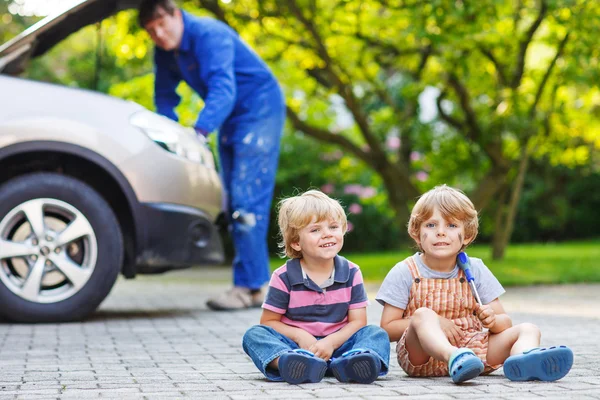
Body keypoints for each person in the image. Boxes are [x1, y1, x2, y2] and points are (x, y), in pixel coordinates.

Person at [139, 0, 285, 310]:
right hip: (231, 115)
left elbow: (223, 88)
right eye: (151, 32)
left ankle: (249, 288)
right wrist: (168, 133)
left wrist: (200, 131)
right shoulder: (165, 52)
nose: (160, 35)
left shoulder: (209, 34)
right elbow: (164, 98)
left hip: (259, 109)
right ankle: (254, 286)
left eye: (162, 25)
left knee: (247, 201)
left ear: (176, 15)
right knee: (231, 202)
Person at [376, 185, 573, 384]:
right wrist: (436, 321)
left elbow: (505, 323)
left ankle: (523, 361)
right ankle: (453, 356)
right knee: (423, 314)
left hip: (473, 352)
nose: (441, 232)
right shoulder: (405, 271)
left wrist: (492, 320)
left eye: (452, 226)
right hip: (423, 357)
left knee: (529, 329)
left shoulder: (474, 269)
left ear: (467, 234)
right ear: (416, 232)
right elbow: (388, 328)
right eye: (431, 225)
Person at [242, 190, 390, 384]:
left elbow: (358, 322)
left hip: (341, 345)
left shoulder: (352, 272)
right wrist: (300, 336)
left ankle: (352, 363)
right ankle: (290, 363)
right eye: (315, 230)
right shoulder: (283, 276)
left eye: (333, 227)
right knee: (254, 335)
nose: (327, 234)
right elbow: (269, 321)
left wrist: (331, 342)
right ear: (296, 242)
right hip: (298, 348)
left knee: (376, 333)